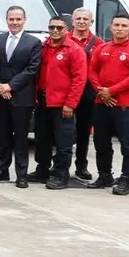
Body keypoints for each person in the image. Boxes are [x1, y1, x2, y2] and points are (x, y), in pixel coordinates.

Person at [86, 14, 129, 195]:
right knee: (100, 141)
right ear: (110, 28)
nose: (120, 28)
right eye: (117, 25)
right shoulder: (101, 48)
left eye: (124, 26)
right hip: (101, 102)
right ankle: (105, 174)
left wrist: (111, 91)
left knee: (128, 143)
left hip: (124, 105)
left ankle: (127, 178)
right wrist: (101, 91)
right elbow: (92, 71)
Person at [32, 16, 88, 190]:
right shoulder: (43, 47)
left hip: (62, 104)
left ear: (67, 29)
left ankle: (60, 174)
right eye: (52, 27)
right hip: (42, 101)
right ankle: (42, 170)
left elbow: (79, 79)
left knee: (63, 142)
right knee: (42, 139)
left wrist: (70, 104)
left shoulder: (74, 49)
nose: (55, 31)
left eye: (59, 28)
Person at [0, 6, 42, 188]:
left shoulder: (34, 43)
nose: (15, 22)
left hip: (21, 98)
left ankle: (21, 174)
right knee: (3, 137)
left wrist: (10, 86)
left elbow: (32, 69)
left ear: (24, 20)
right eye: (11, 19)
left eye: (18, 19)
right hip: (0, 96)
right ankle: (2, 171)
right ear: (6, 20)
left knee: (21, 138)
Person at [67, 8, 100, 183]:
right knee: (62, 130)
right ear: (72, 21)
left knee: (83, 131)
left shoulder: (98, 43)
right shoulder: (63, 39)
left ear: (91, 22)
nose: (81, 21)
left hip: (88, 92)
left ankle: (81, 165)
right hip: (66, 90)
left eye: (85, 19)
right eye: (78, 18)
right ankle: (59, 164)